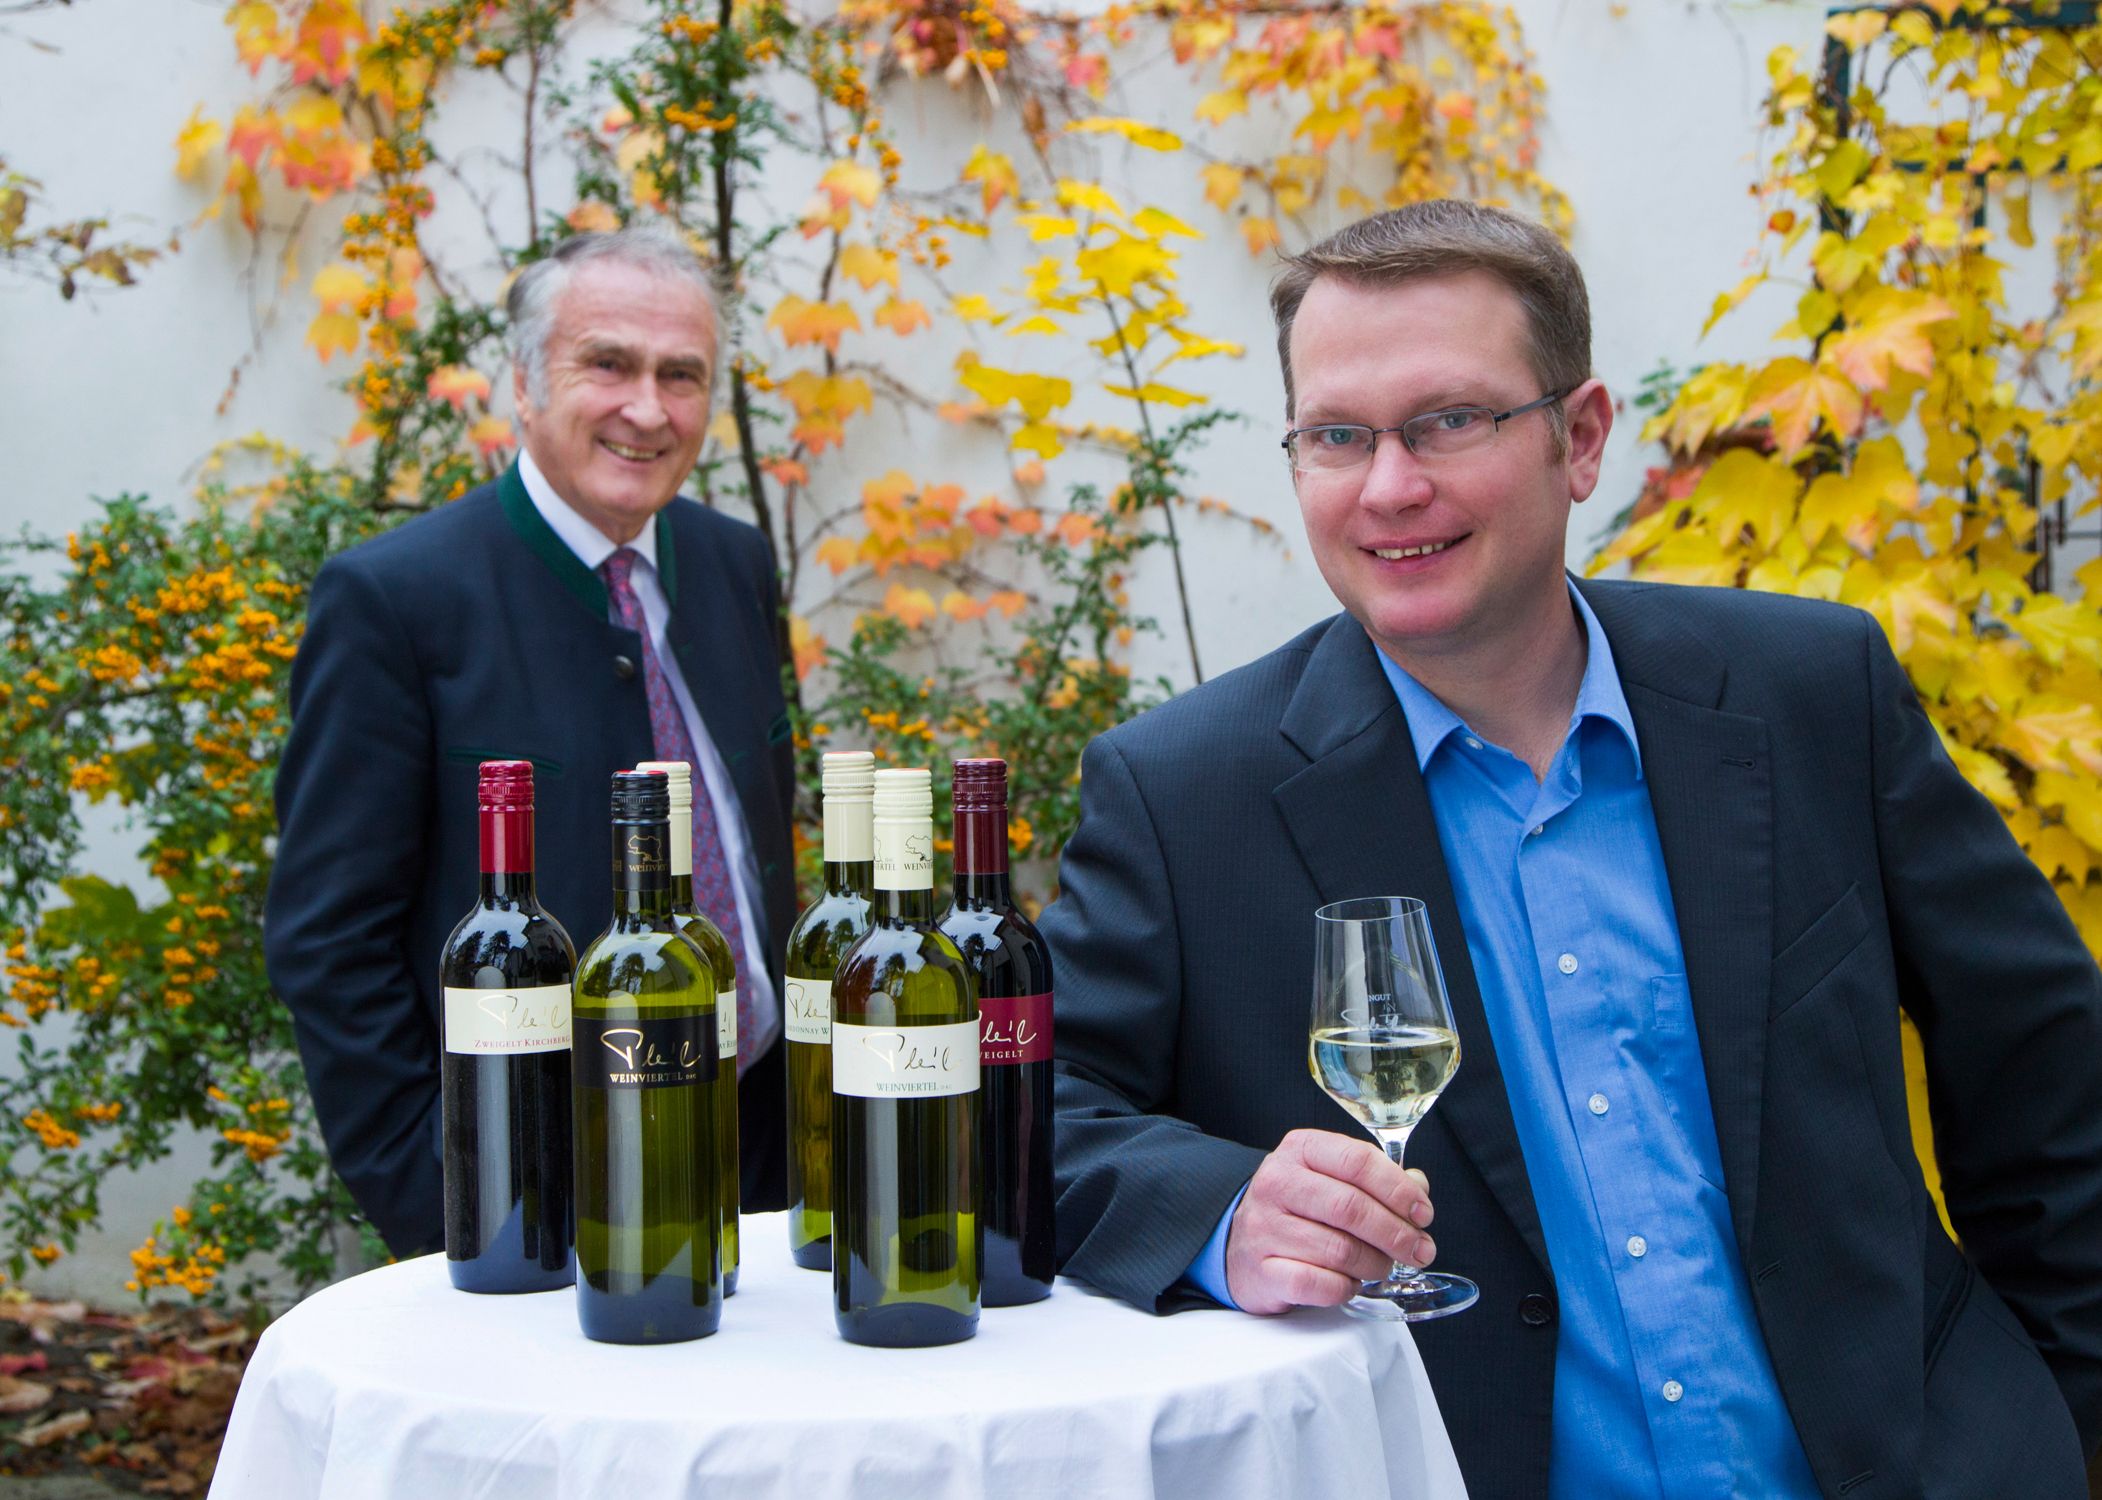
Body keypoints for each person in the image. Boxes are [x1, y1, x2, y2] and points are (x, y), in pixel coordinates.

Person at [1043, 200, 2102, 1497]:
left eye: (1448, 420)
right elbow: (1032, 1120)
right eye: (1336, 435)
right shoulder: (1182, 795)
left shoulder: (1807, 698)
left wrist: (2055, 1418)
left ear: (1580, 436)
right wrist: (1218, 1215)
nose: (1390, 486)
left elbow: (2048, 1072)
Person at [265, 226, 796, 1257]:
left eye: (680, 375)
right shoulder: (396, 600)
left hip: (761, 1162)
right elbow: (328, 938)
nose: (647, 408)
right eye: (608, 364)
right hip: (534, 1184)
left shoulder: (732, 563)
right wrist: (440, 1198)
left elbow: (761, 837)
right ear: (521, 380)